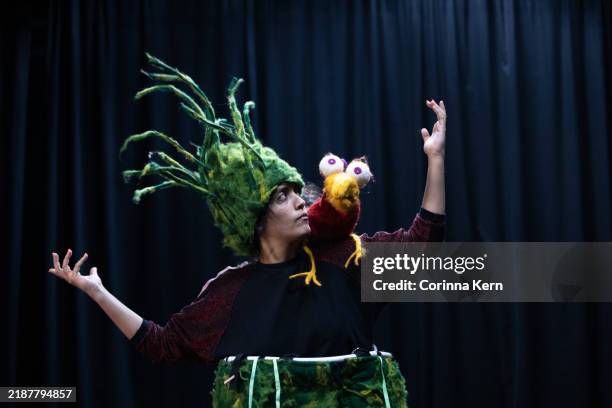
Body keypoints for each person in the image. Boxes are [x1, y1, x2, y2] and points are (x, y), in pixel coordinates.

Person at [49, 55, 446, 407]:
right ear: (255, 220)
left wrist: (436, 159)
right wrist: (97, 293)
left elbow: (422, 247)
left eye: (298, 192)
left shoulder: (345, 258)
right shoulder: (231, 293)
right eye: (281, 197)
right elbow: (162, 343)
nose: (299, 202)